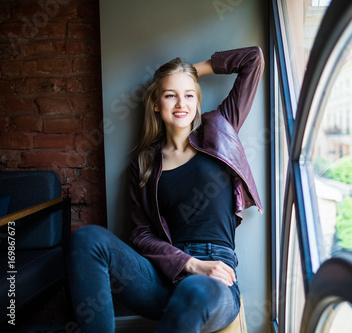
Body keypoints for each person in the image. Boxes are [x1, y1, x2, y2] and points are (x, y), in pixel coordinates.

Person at [69, 46, 264, 333]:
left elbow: (253, 60)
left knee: (195, 290)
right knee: (87, 239)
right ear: (156, 104)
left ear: (197, 102)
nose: (180, 103)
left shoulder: (220, 130)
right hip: (163, 275)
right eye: (170, 95)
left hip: (213, 280)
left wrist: (188, 72)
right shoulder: (144, 162)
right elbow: (140, 234)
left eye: (188, 94)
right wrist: (188, 263)